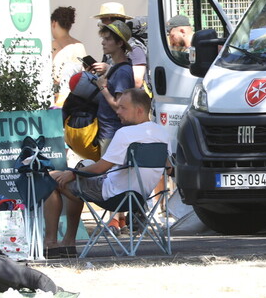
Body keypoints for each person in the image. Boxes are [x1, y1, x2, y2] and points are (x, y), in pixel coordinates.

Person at [42, 88, 171, 258]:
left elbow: (101, 168)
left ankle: (51, 243)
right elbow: (169, 167)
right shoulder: (162, 133)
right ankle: (68, 244)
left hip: (111, 195)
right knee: (82, 170)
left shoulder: (125, 133)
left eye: (123, 108)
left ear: (139, 110)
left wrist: (72, 174)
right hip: (139, 198)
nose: (117, 111)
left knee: (51, 179)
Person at [92, 21, 136, 156]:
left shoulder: (122, 72)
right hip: (110, 132)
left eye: (108, 39)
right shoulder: (118, 68)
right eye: (103, 38)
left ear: (120, 43)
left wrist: (103, 88)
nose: (103, 42)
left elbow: (119, 107)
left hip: (113, 133)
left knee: (109, 175)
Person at [94, 2, 148, 89]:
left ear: (111, 20)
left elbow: (137, 82)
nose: (100, 24)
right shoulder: (112, 46)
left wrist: (108, 69)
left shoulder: (134, 47)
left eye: (103, 20)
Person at [51, 7, 88, 108]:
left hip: (57, 101)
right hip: (75, 101)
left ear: (54, 23)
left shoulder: (51, 46)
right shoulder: (80, 46)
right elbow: (86, 74)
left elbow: (54, 77)